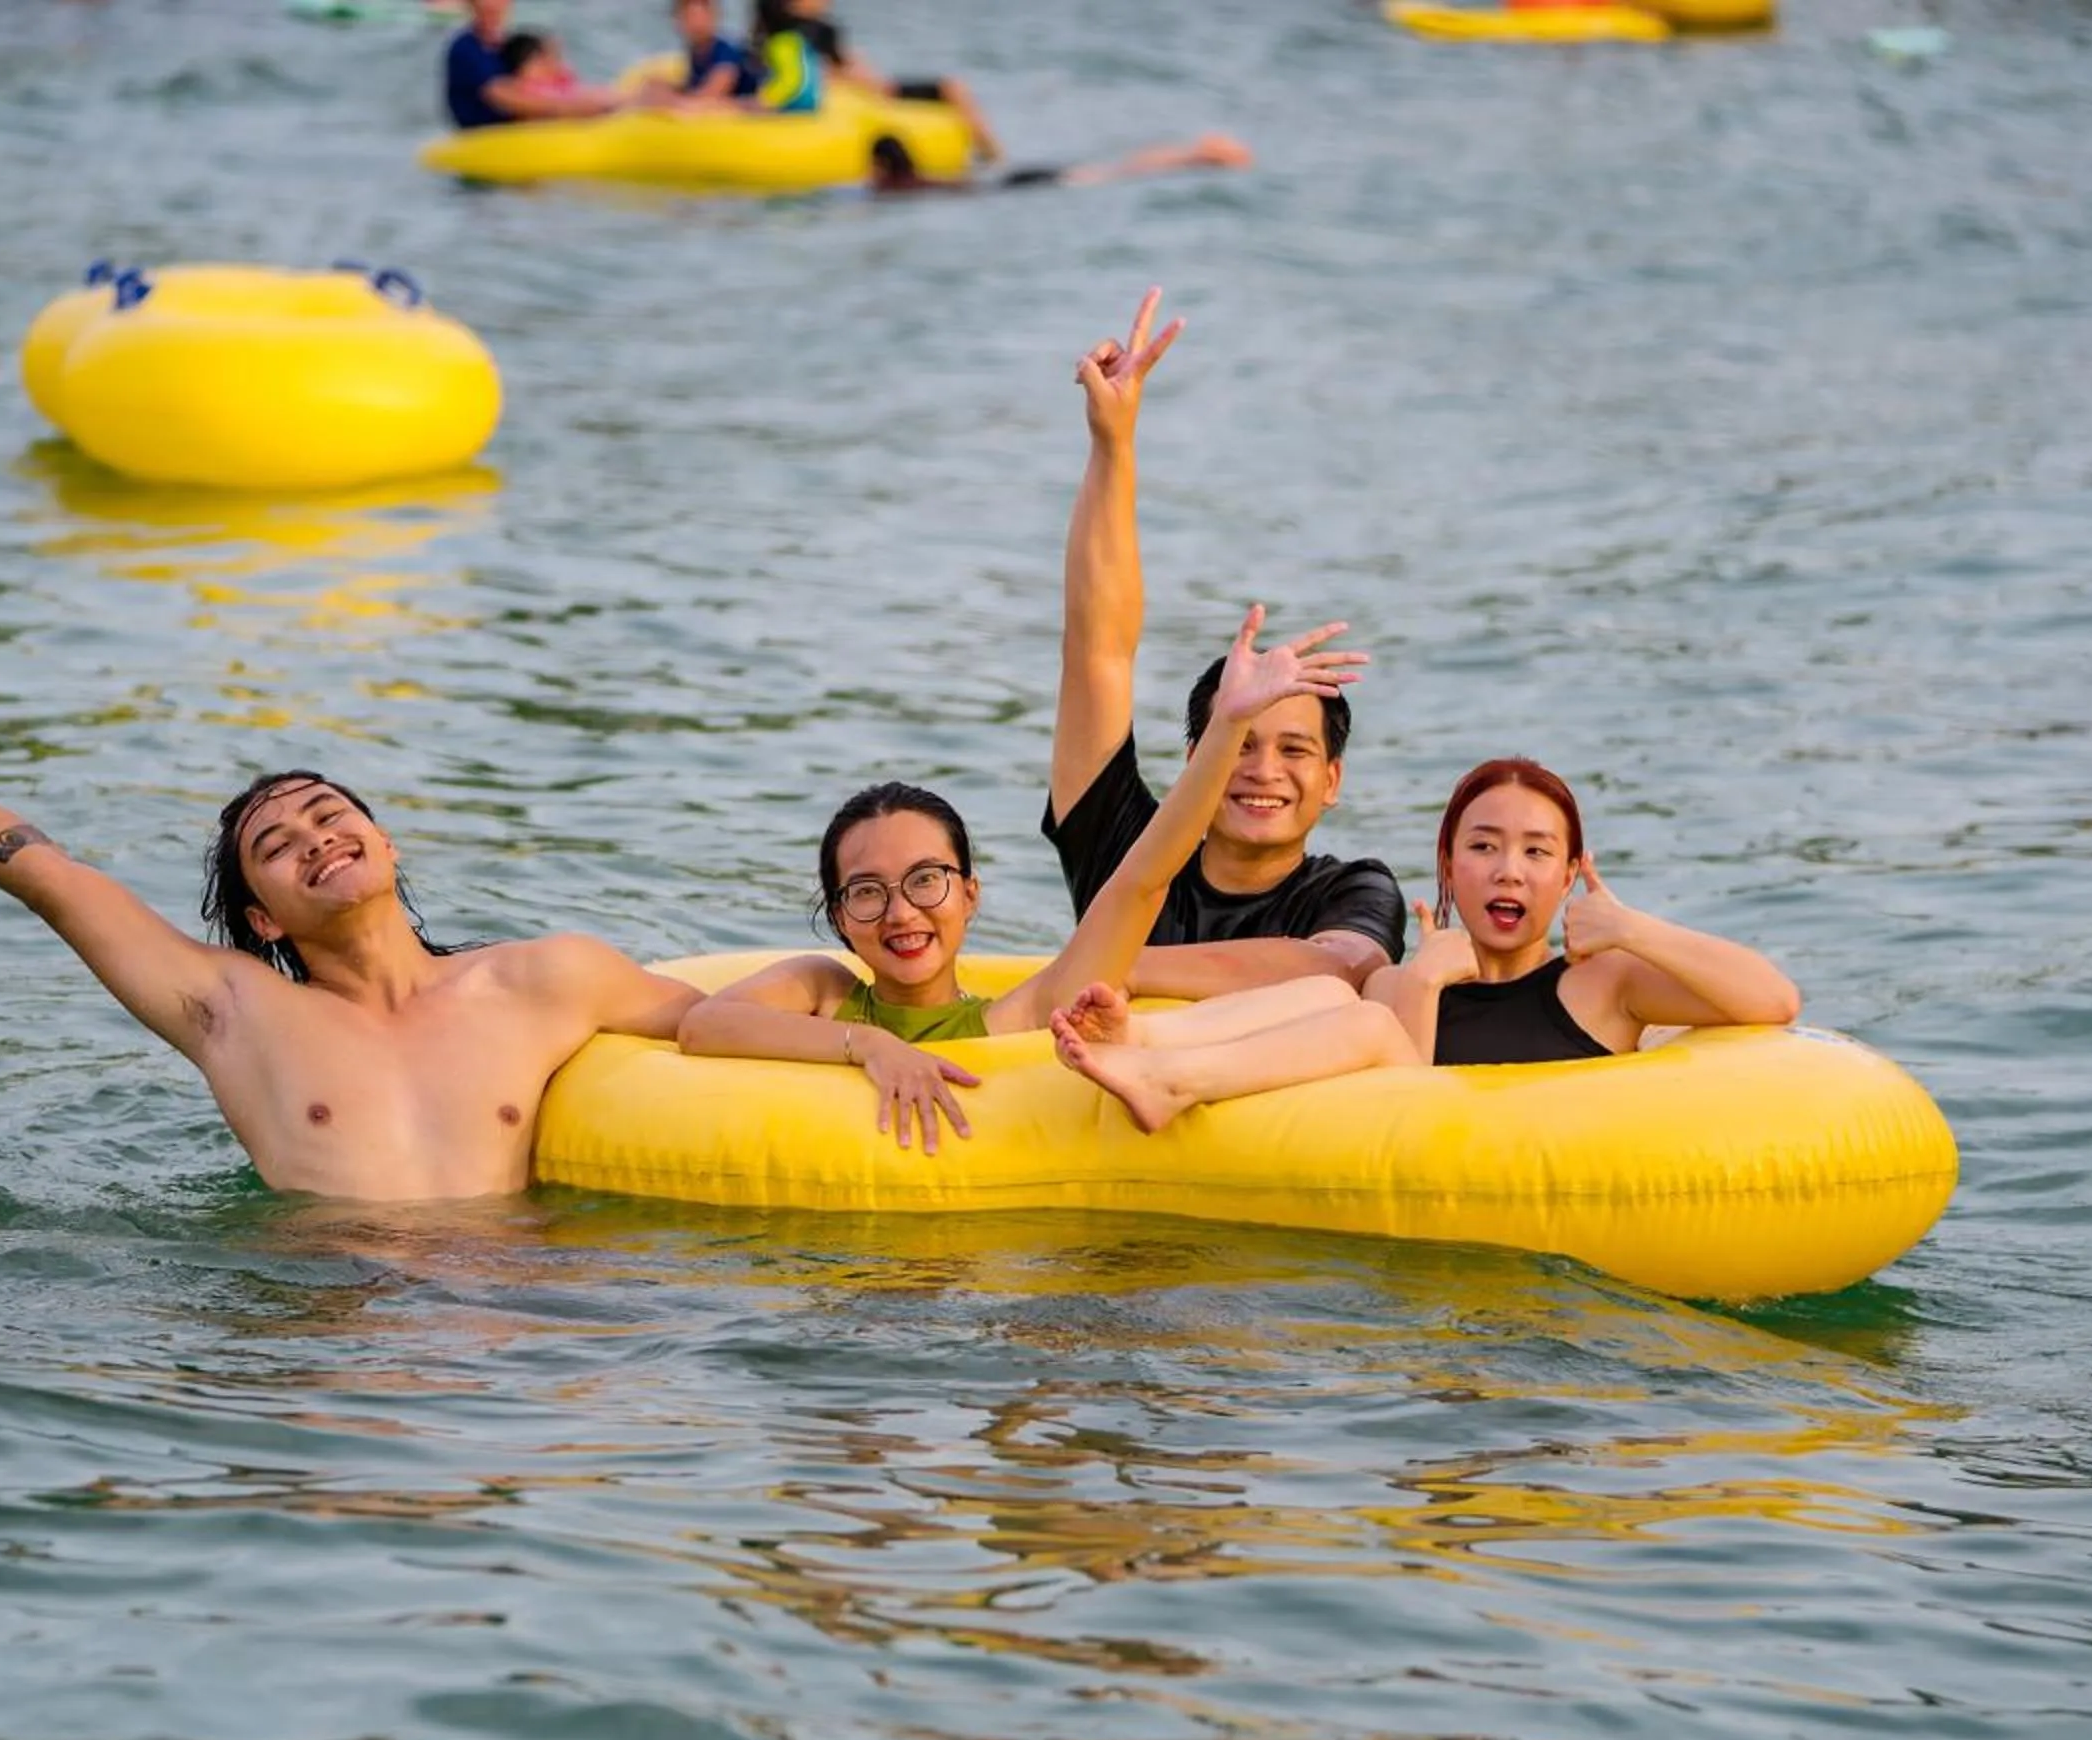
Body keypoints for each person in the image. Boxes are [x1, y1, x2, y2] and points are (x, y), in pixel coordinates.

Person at [0, 651, 701, 1201]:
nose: (315, 837)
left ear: (381, 840)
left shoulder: (540, 982)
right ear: (261, 915)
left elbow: (717, 1017)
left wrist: (844, 1001)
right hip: (327, 1309)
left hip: (519, 1300)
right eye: (277, 843)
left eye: (328, 813)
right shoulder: (236, 1011)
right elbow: (49, 879)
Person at [674, 608, 1364, 1152]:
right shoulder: (823, 991)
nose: (900, 913)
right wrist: (875, 1049)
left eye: (926, 880)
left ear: (970, 894)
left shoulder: (1021, 1016)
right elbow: (706, 1025)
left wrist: (1230, 727)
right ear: (839, 914)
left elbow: (1141, 881)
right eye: (866, 891)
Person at [1045, 759, 1802, 1133]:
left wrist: (1633, 928)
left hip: (1552, 1225)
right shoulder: (1403, 987)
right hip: (1419, 1247)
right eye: (1484, 847)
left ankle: (1172, 1078)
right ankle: (1144, 1037)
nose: (1509, 869)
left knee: (1363, 1015)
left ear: (1572, 873)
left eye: (1538, 853)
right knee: (1338, 996)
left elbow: (1773, 1000)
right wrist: (1426, 979)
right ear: (1448, 866)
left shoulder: (1605, 985)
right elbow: (1392, 1123)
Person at [1045, 289, 1408, 1002]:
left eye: (1295, 749)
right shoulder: (1126, 851)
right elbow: (1098, 650)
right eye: (1237, 740)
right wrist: (1111, 445)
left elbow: (1339, 969)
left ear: (1332, 781)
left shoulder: (1353, 889)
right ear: (1196, 761)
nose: (1263, 769)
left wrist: (1104, 961)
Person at [753, 0, 1001, 158]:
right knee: (953, 87)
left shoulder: (774, 38)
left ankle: (988, 153)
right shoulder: (816, 32)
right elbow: (854, 75)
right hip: (869, 96)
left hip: (855, 97)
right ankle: (993, 155)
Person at [443, 0, 643, 126]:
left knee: (612, 96)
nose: (493, 5)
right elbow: (503, 97)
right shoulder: (465, 49)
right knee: (604, 101)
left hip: (522, 127)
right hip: (487, 136)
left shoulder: (506, 44)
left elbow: (542, 80)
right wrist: (574, 108)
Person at [866, 133, 1251, 195]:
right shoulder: (916, 179)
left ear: (882, 165)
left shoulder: (895, 188)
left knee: (1109, 174)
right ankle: (1193, 155)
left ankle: (1198, 156)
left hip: (1010, 188)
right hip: (1008, 180)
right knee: (1109, 171)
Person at [672, 0, 764, 101]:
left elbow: (708, 98)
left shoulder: (727, 54)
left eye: (701, 17)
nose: (697, 24)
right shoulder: (697, 54)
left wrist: (669, 98)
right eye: (690, 17)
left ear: (714, 17)